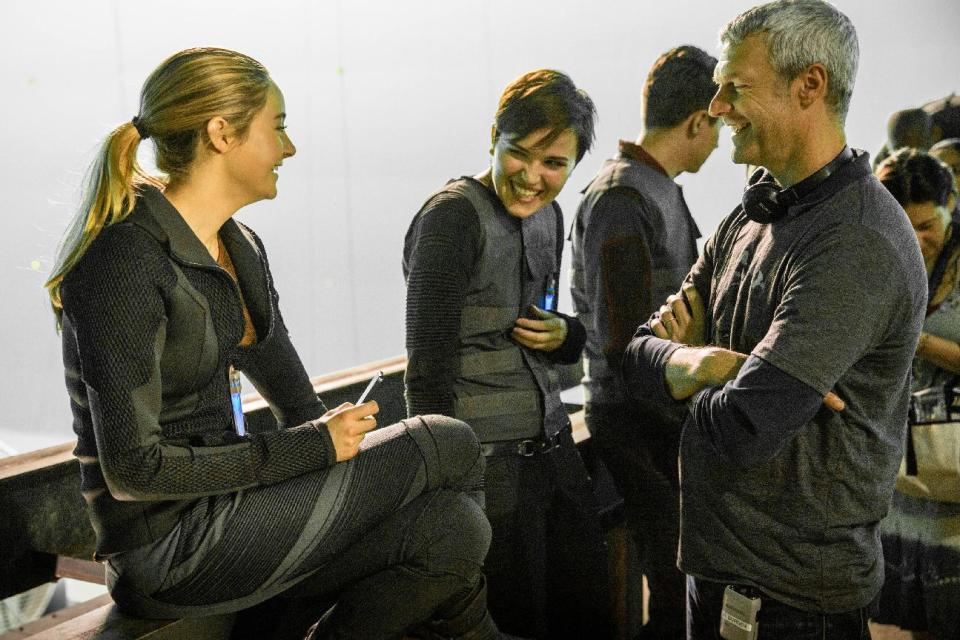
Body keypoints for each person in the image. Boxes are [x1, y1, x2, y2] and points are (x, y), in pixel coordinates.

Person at [45, 47, 504, 640]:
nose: (290, 147)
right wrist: (314, 450)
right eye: (279, 127)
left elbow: (299, 407)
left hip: (238, 516)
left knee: (454, 529)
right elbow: (134, 470)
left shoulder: (239, 247)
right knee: (446, 440)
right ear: (221, 134)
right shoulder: (124, 259)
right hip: (168, 550)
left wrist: (330, 455)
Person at [620, 1, 927, 638]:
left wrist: (678, 375)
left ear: (809, 85)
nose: (717, 107)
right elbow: (634, 359)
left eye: (736, 87)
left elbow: (744, 427)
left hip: (791, 604)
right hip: (717, 574)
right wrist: (699, 362)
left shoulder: (855, 243)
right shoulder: (755, 209)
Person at [403, 69, 613, 640]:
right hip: (487, 470)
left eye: (554, 165)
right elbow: (427, 367)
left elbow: (550, 335)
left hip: (553, 449)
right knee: (517, 618)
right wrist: (449, 488)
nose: (533, 177)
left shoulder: (552, 215)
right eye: (519, 155)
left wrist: (567, 335)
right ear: (492, 136)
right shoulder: (451, 216)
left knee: (591, 611)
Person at [569, 44, 719, 640]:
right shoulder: (622, 198)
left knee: (685, 580)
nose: (720, 140)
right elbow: (621, 342)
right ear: (695, 122)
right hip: (636, 419)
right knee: (675, 581)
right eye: (718, 125)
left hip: (662, 412)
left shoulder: (658, 188)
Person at [872, 148, 960, 640]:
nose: (917, 240)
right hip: (906, 474)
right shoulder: (881, 253)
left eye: (927, 225)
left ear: (952, 204)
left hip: (956, 471)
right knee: (923, 617)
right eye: (904, 226)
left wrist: (919, 340)